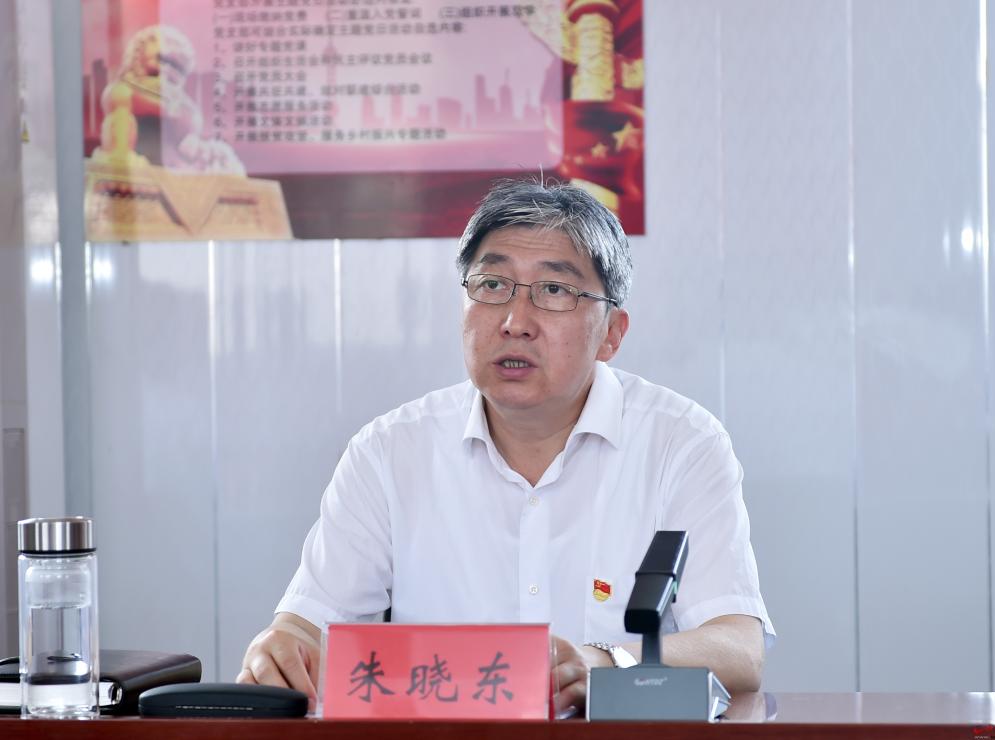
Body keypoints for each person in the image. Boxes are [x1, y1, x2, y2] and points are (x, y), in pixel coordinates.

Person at [238, 179, 774, 713]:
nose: (516, 323)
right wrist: (282, 645)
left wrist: (604, 662)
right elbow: (308, 626)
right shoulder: (389, 452)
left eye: (554, 291)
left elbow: (738, 646)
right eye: (492, 285)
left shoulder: (680, 442)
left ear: (612, 332)